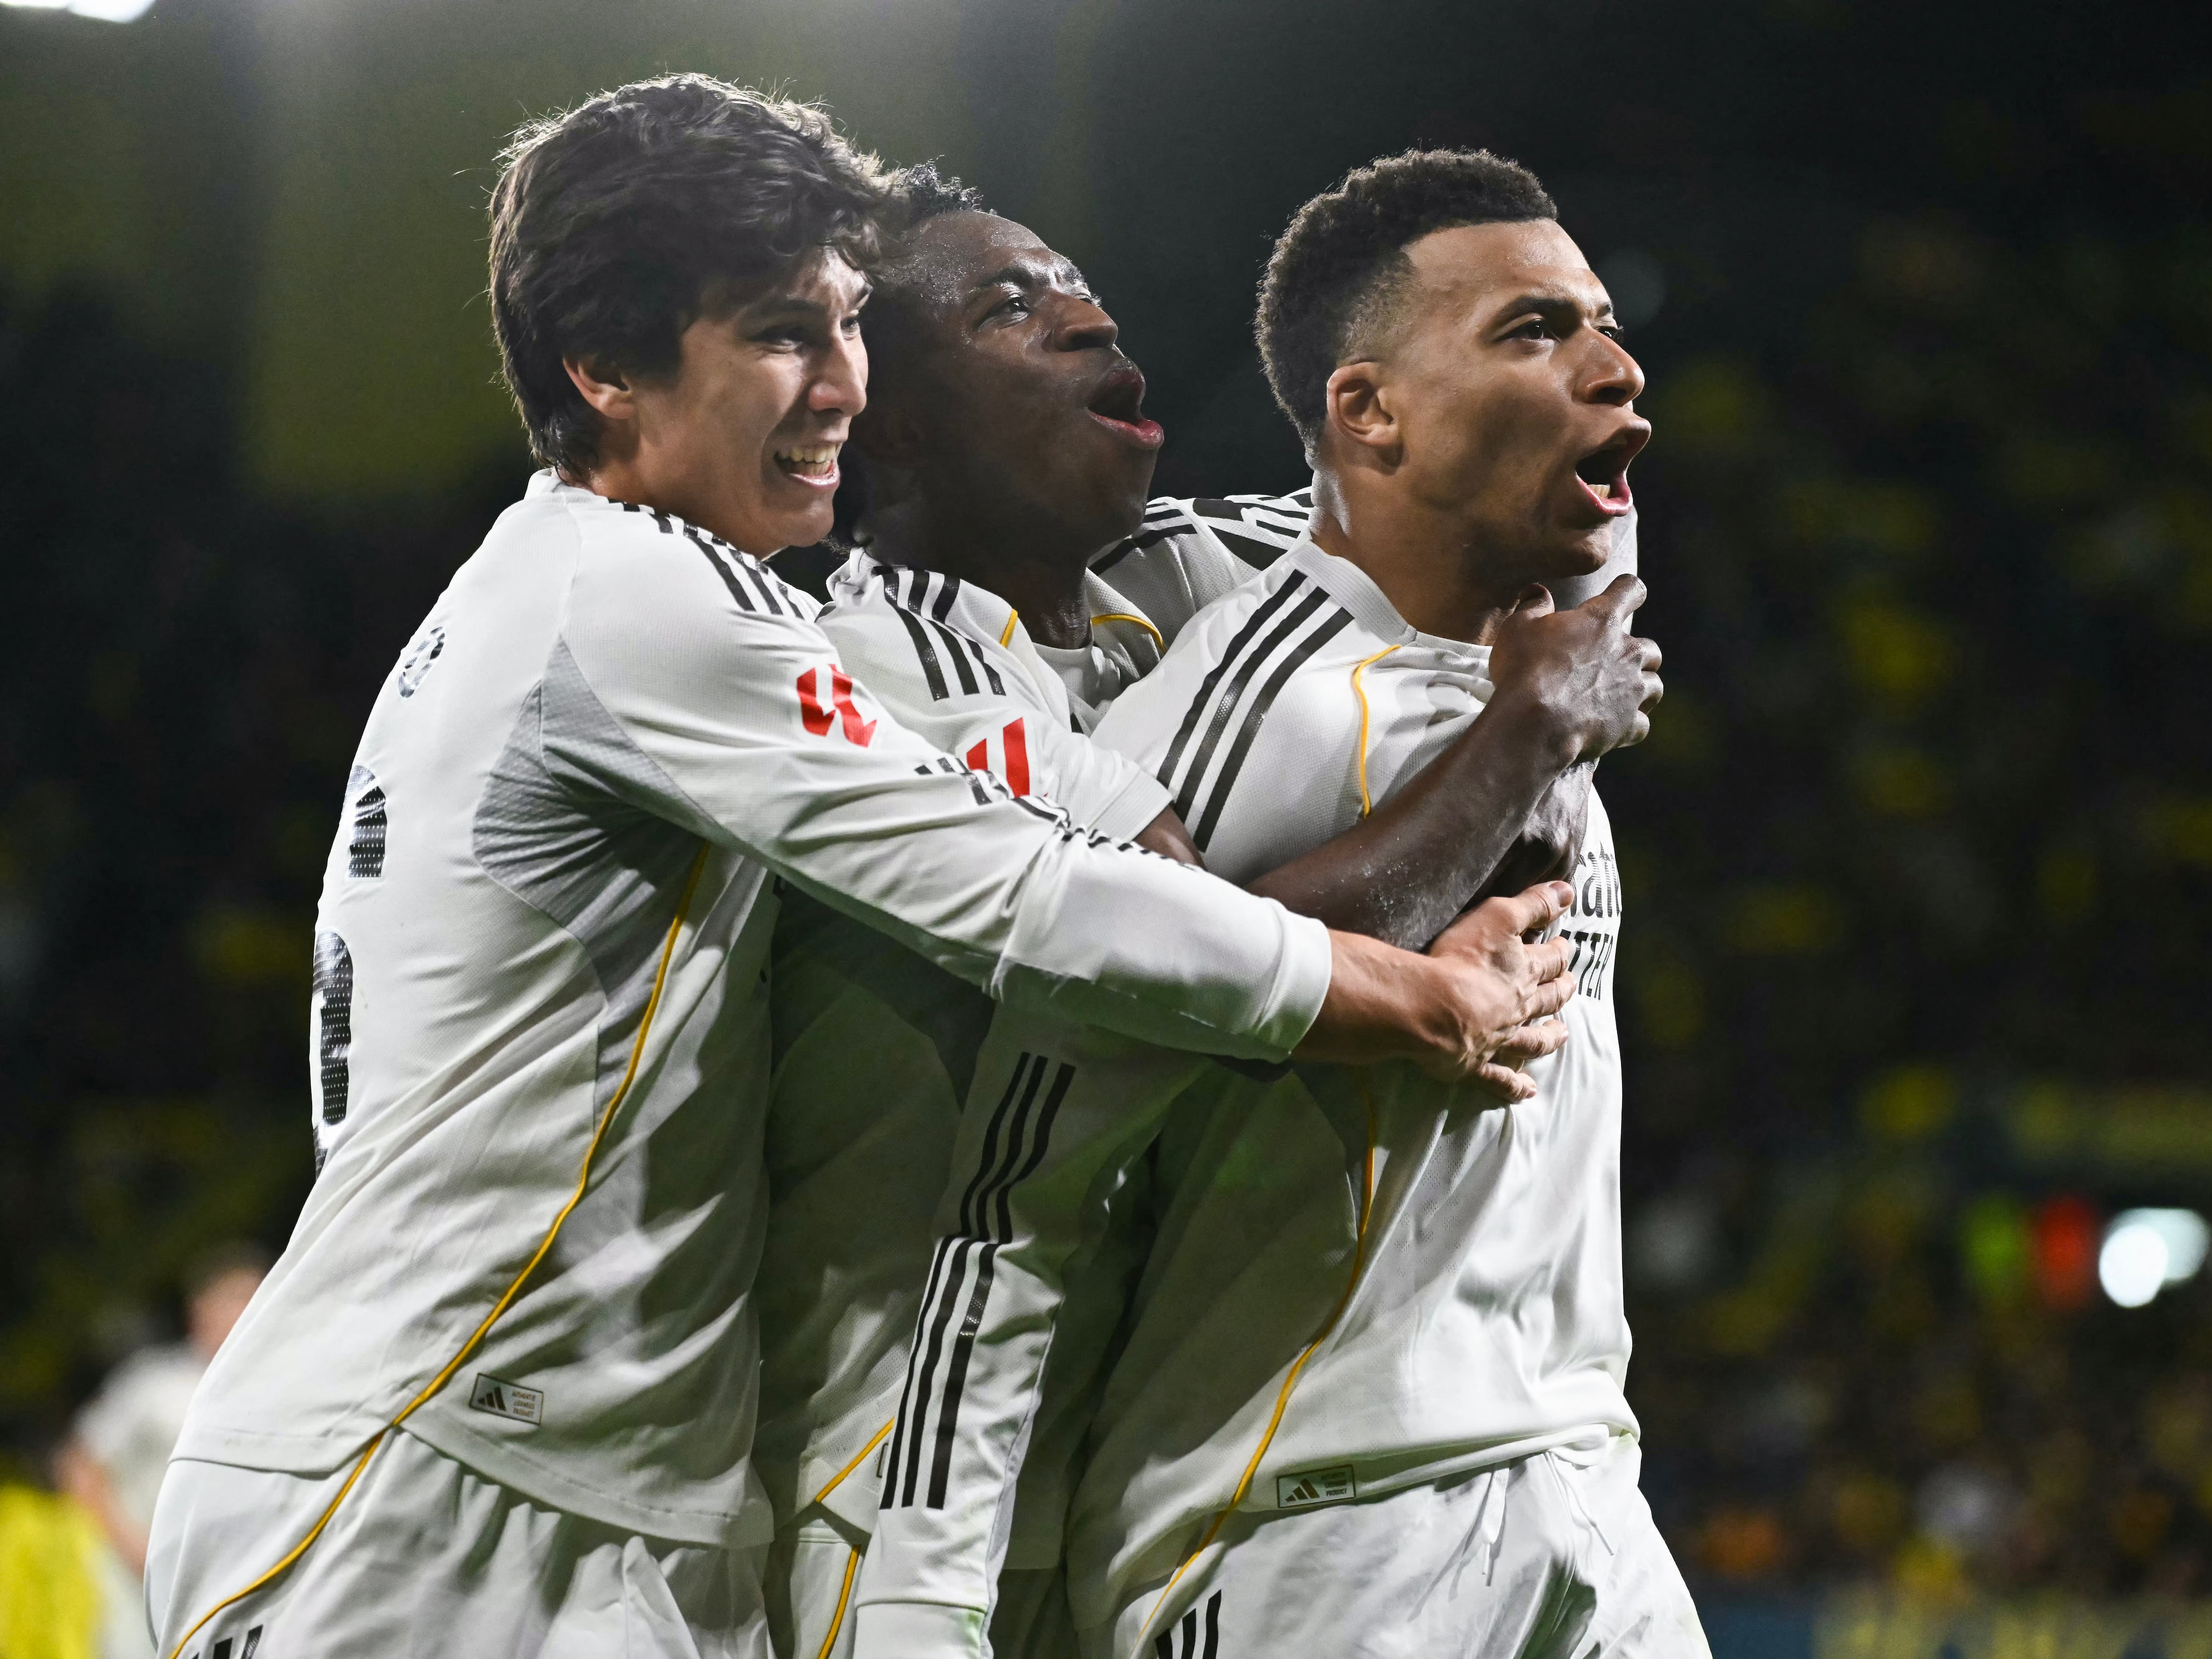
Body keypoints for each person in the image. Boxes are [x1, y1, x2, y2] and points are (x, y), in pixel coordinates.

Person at [144, 82, 1572, 1659]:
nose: (836, 383)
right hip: (433, 1487)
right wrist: (1424, 998)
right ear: (603, 367)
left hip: (603, 1498)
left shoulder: (617, 592)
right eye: (778, 333)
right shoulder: (633, 601)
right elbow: (1039, 905)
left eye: (844, 325)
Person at [751, 168, 1662, 1659]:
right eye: (1008, 309)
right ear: (890, 420)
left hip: (1119, 1432)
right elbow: (1172, 942)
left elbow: (1506, 499)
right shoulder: (872, 676)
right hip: (893, 1472)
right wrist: (1501, 779)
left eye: (1073, 290)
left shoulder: (1176, 574)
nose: (1085, 318)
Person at [50, 1246, 265, 1659]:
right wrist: (138, 1553)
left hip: (209, 1601)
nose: (248, 1311)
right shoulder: (156, 1382)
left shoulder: (265, 1395)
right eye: (235, 1299)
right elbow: (78, 1466)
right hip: (122, 1593)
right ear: (200, 1310)